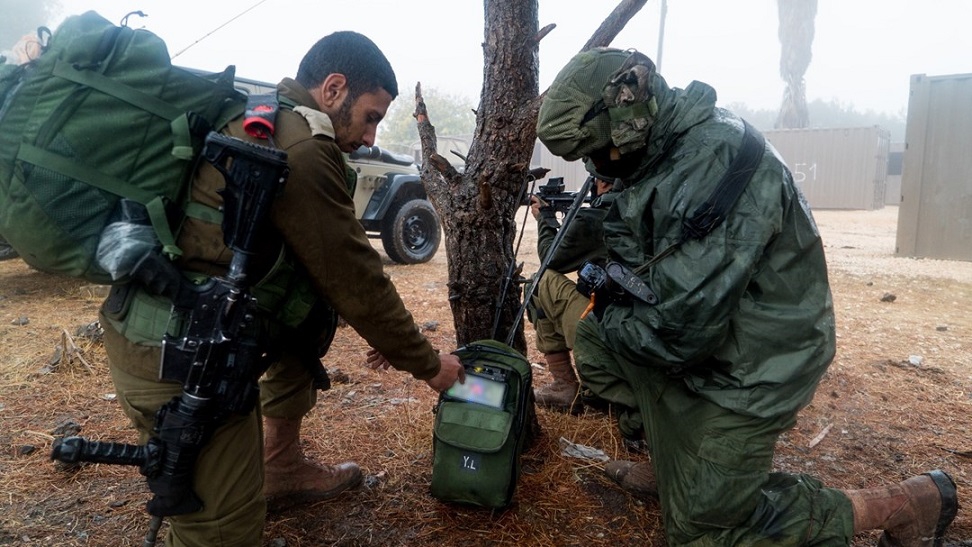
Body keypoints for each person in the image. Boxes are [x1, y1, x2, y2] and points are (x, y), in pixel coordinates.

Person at [535, 47, 957, 546]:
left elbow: (676, 334)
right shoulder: (665, 147)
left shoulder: (708, 162)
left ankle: (900, 504)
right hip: (715, 337)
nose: (595, 163)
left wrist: (605, 308)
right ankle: (676, 468)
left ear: (628, 111)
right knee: (599, 346)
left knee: (702, 532)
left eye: (599, 151)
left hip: (755, 363)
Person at [99, 31, 464, 546]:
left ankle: (280, 464)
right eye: (371, 116)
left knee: (312, 310)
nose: (369, 138)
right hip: (181, 358)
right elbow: (357, 276)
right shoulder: (303, 148)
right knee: (223, 533)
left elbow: (327, 279)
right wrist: (428, 364)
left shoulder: (265, 113)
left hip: (170, 334)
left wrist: (386, 339)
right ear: (334, 88)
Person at [527, 176, 613, 412]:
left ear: (604, 184)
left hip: (609, 327)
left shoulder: (600, 216)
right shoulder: (649, 205)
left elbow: (551, 259)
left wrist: (545, 220)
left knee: (539, 282)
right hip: (633, 325)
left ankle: (565, 385)